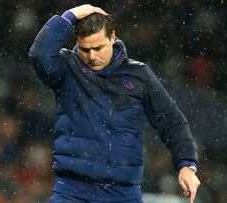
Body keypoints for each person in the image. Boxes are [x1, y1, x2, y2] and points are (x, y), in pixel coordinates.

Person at [29, 4, 200, 203]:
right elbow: (39, 55)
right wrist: (69, 16)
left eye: (98, 48)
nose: (92, 56)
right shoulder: (68, 67)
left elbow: (172, 122)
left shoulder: (139, 75)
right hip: (71, 191)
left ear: (112, 37)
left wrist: (187, 165)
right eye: (85, 49)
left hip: (123, 194)